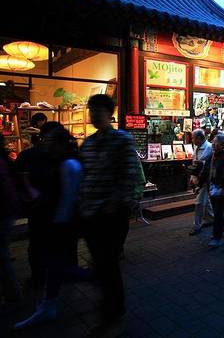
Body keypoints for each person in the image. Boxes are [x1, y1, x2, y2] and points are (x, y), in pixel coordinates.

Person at [77, 94, 139, 334]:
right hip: (90, 213)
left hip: (111, 216)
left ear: (110, 113)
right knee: (102, 263)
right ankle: (111, 305)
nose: (93, 115)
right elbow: (84, 176)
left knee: (108, 263)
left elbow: (130, 175)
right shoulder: (88, 143)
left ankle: (112, 310)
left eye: (98, 111)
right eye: (91, 110)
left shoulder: (122, 140)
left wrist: (115, 203)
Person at [14, 127, 82, 329]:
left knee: (59, 265)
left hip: (60, 225)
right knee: (57, 266)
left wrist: (58, 224)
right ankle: (48, 305)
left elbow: (68, 199)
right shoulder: (60, 161)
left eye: (50, 140)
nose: (46, 144)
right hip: (58, 224)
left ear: (60, 143)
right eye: (45, 140)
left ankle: (48, 305)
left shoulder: (69, 164)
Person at [0, 134, 21, 305]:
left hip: (3, 211)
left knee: (2, 256)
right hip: (7, 211)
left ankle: (13, 295)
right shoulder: (5, 160)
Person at [189, 129, 214, 236]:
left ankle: (196, 226)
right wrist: (192, 177)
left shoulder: (209, 147)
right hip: (198, 177)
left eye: (193, 138)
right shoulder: (197, 147)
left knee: (199, 202)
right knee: (205, 200)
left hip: (205, 179)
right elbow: (195, 163)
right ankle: (211, 218)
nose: (192, 140)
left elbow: (203, 165)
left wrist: (198, 179)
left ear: (199, 138)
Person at [207, 134, 224, 248]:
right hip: (212, 187)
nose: (212, 143)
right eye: (213, 141)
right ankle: (219, 231)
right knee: (217, 212)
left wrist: (222, 187)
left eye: (215, 142)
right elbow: (206, 170)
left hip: (220, 189)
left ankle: (217, 237)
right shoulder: (212, 156)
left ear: (222, 145)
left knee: (218, 213)